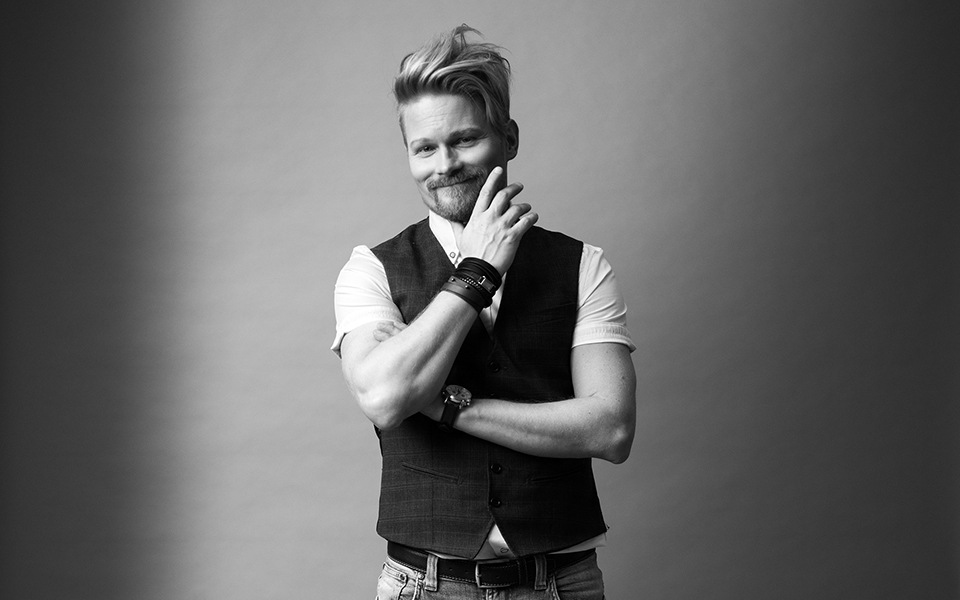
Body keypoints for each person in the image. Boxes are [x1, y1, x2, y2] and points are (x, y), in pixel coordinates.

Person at [332, 24, 637, 599]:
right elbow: (384, 397)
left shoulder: (583, 265)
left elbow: (611, 429)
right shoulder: (370, 269)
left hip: (561, 584)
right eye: (424, 148)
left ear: (509, 138)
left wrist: (447, 407)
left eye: (465, 139)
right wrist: (477, 272)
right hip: (423, 586)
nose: (444, 164)